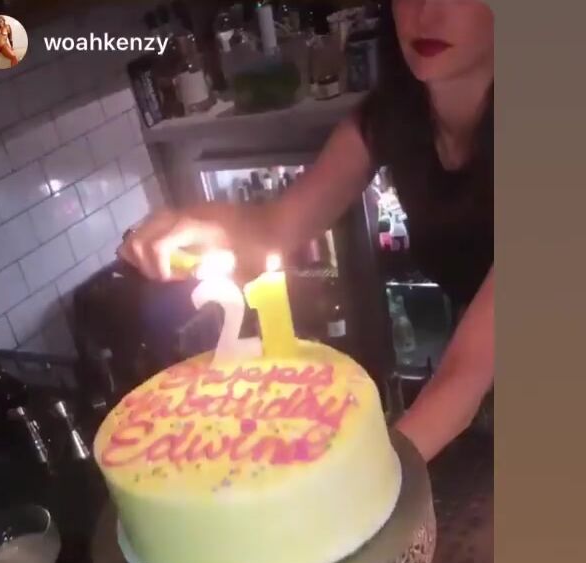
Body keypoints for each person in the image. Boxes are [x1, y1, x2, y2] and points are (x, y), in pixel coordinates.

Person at [119, 0, 494, 463]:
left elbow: (465, 376)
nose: (426, 11)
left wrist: (357, 484)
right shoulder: (393, 117)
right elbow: (279, 225)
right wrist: (203, 225)